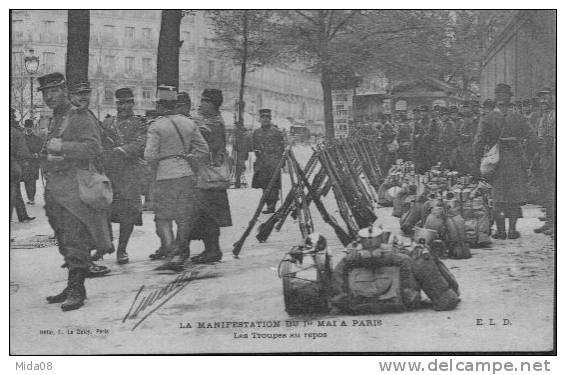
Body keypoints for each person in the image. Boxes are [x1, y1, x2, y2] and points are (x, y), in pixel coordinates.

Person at [39, 73, 113, 311]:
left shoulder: (80, 115)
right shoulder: (56, 118)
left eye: (54, 91)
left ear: (64, 91)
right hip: (56, 187)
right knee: (61, 236)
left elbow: (94, 147)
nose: (49, 96)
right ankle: (71, 281)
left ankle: (77, 288)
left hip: (74, 187)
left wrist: (63, 147)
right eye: (45, 92)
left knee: (74, 237)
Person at [144, 85, 209, 265]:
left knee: (163, 216)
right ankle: (181, 252)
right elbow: (204, 150)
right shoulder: (189, 123)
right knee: (184, 217)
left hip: (165, 177)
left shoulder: (156, 126)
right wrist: (188, 156)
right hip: (186, 175)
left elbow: (149, 155)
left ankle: (171, 251)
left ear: (160, 105)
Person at [473, 83, 537, 240]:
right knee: (514, 197)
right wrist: (527, 157)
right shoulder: (518, 117)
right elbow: (533, 138)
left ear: (496, 98)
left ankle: (501, 231)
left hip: (496, 161)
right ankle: (513, 230)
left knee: (499, 197)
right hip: (515, 160)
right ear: (509, 98)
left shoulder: (487, 118)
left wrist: (478, 161)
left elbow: (478, 142)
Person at [100, 88, 147, 264]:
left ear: (132, 103)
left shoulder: (140, 123)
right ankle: (105, 245)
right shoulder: (107, 123)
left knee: (128, 215)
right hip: (109, 174)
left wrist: (120, 150)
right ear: (116, 103)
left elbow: (141, 144)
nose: (124, 106)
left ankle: (122, 250)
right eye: (120, 103)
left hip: (129, 175)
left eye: (127, 102)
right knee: (104, 211)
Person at [187, 89, 233, 264]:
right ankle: (210, 249)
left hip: (210, 176)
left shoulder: (213, 125)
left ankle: (213, 250)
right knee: (206, 215)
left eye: (205, 101)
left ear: (213, 105)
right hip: (208, 175)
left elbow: (203, 146)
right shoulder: (210, 122)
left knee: (209, 215)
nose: (201, 104)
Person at [252, 108, 285, 214]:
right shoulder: (256, 132)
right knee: (264, 184)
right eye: (263, 117)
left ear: (270, 119)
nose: (265, 120)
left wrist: (280, 162)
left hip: (273, 162)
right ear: (260, 119)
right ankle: (268, 203)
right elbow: (254, 146)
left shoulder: (276, 132)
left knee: (273, 184)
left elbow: (281, 147)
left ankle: (272, 205)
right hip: (262, 162)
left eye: (267, 117)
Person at [532, 87, 555, 236]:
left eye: (546, 97)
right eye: (541, 98)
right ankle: (550, 222)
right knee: (547, 191)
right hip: (544, 157)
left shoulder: (556, 115)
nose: (543, 101)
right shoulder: (543, 117)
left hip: (553, 157)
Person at [10, 108, 34, 223]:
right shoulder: (16, 133)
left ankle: (23, 215)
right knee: (12, 192)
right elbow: (23, 153)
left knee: (15, 191)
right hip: (13, 166)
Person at [22, 119, 43, 205]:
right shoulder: (21, 138)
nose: (29, 129)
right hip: (25, 163)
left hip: (34, 163)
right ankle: (29, 197)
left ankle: (32, 198)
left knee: (32, 181)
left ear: (33, 128)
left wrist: (37, 154)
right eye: (27, 127)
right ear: (25, 127)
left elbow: (40, 149)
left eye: (30, 127)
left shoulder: (38, 139)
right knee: (26, 181)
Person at [454, 101, 478, 175]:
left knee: (471, 167)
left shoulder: (474, 121)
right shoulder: (461, 122)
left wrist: (462, 136)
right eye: (464, 107)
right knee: (462, 169)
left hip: (470, 149)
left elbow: (473, 135)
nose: (465, 109)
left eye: (467, 107)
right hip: (462, 149)